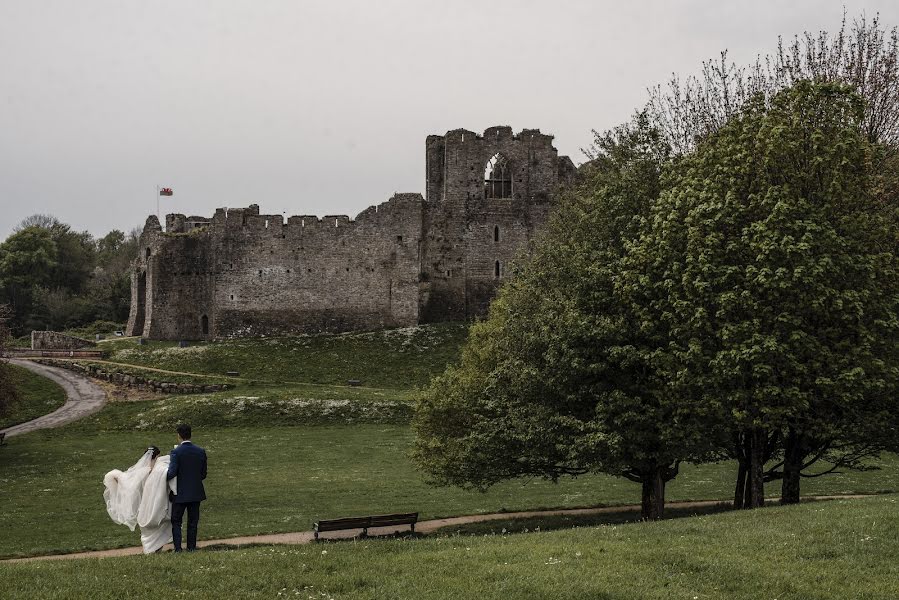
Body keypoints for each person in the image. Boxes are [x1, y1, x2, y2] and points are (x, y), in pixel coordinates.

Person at [103, 446, 175, 554]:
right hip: (158, 502)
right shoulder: (161, 470)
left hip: (145, 506)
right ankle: (156, 548)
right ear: (158, 455)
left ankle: (151, 549)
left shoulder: (141, 472)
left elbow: (130, 485)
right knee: (161, 524)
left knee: (148, 527)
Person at [166, 423, 208, 552]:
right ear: (190, 434)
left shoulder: (176, 452)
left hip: (180, 493)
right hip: (196, 492)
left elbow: (172, 472)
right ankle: (191, 547)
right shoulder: (200, 451)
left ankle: (178, 548)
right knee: (193, 521)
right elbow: (203, 474)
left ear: (179, 436)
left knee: (177, 521)